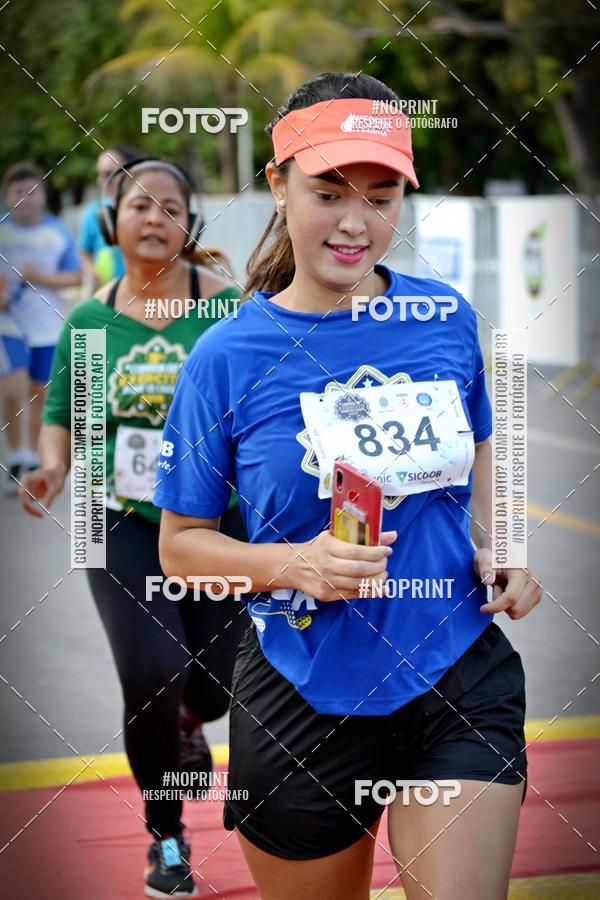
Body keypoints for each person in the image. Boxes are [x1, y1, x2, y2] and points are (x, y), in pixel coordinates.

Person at [154, 72, 543, 900]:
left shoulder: (445, 317)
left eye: (383, 195)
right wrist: (294, 564)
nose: (357, 223)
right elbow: (181, 548)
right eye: (329, 191)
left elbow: (482, 453)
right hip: (303, 689)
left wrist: (504, 546)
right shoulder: (224, 359)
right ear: (278, 185)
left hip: (456, 668)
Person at [20, 157, 248, 898]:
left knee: (215, 688)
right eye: (139, 206)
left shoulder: (228, 312)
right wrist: (52, 470)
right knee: (151, 673)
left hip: (219, 518)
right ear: (112, 223)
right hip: (110, 515)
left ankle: (191, 716)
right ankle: (168, 838)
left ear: (192, 225)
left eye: (172, 207)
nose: (155, 218)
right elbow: (65, 419)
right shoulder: (89, 321)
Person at [0, 161, 82, 493]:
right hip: (9, 324)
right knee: (12, 387)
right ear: (7, 196)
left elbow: (75, 277)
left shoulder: (57, 231)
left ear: (43, 196)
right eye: (18, 191)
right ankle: (17, 452)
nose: (26, 198)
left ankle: (32, 457)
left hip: (47, 326)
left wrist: (40, 278)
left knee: (39, 393)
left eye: (32, 191)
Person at [78, 145, 139, 288]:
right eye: (99, 174)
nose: (102, 181)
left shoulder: (150, 213)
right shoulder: (93, 212)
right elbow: (84, 253)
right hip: (107, 295)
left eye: (109, 173)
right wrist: (95, 277)